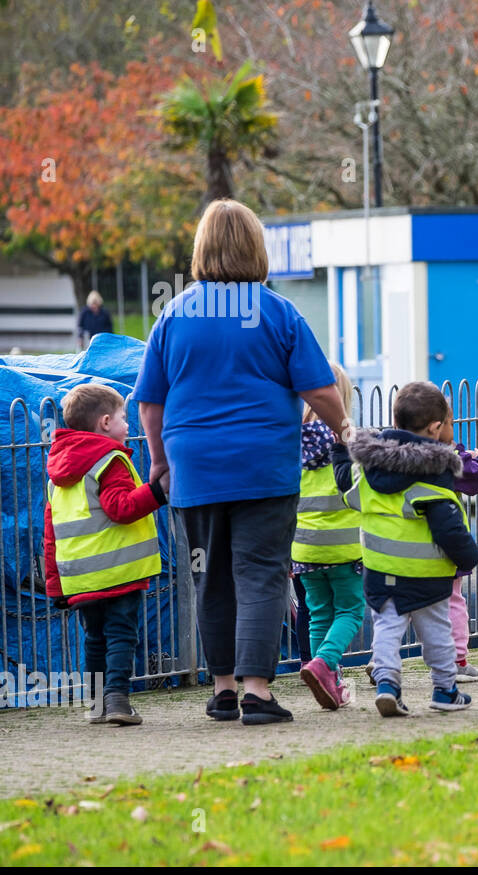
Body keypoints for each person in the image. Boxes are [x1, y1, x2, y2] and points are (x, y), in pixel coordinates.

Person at [134, 199, 349, 726]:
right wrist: (344, 430)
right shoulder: (277, 312)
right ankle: (257, 691)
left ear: (201, 249)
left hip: (195, 468)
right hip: (264, 467)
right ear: (257, 248)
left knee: (210, 576)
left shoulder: (174, 314)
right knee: (261, 574)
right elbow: (320, 388)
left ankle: (223, 689)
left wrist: (160, 461)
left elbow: (149, 403)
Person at [338, 382, 478, 715]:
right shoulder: (435, 473)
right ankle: (445, 690)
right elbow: (447, 526)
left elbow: (350, 495)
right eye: (448, 423)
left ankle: (387, 683)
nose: (450, 430)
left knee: (387, 628)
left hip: (379, 569)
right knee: (436, 633)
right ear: (434, 427)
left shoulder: (369, 468)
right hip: (425, 573)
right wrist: (469, 557)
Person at [43, 384, 167, 725]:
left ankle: (97, 704)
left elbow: (51, 535)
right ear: (106, 421)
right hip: (118, 571)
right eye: (125, 418)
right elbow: (122, 508)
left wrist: (56, 586)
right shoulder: (109, 460)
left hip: (80, 577)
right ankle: (117, 701)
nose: (129, 426)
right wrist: (157, 492)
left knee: (94, 638)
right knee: (122, 635)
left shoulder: (57, 472)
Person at [293, 361, 363, 711]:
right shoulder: (348, 441)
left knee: (319, 612)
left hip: (303, 546)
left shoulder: (291, 439)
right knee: (351, 610)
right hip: (345, 545)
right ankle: (324, 665)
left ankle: (327, 683)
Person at [445, 399, 478, 683]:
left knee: (399, 607)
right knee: (452, 601)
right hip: (446, 548)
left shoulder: (394, 457)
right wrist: (469, 457)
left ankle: (382, 662)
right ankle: (457, 660)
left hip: (402, 552)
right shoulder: (450, 460)